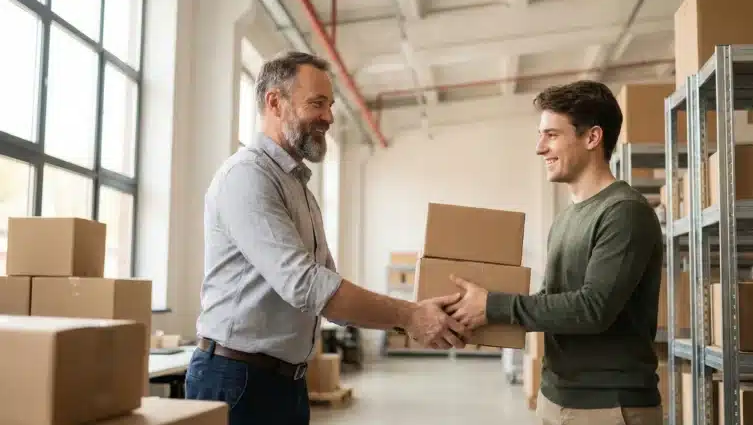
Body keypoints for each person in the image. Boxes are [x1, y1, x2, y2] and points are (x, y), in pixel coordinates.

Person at [186, 50, 467, 425]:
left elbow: (327, 288)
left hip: (285, 380)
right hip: (236, 378)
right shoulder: (247, 176)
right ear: (275, 102)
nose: (329, 117)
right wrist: (410, 315)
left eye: (330, 105)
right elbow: (307, 285)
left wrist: (413, 317)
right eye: (317, 103)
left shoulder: (297, 187)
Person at [445, 80, 664, 425]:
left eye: (551, 135)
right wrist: (475, 317)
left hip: (608, 405)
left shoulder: (624, 212)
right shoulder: (566, 218)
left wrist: (493, 305)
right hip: (556, 396)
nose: (539, 148)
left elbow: (593, 309)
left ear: (592, 138)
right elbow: (552, 301)